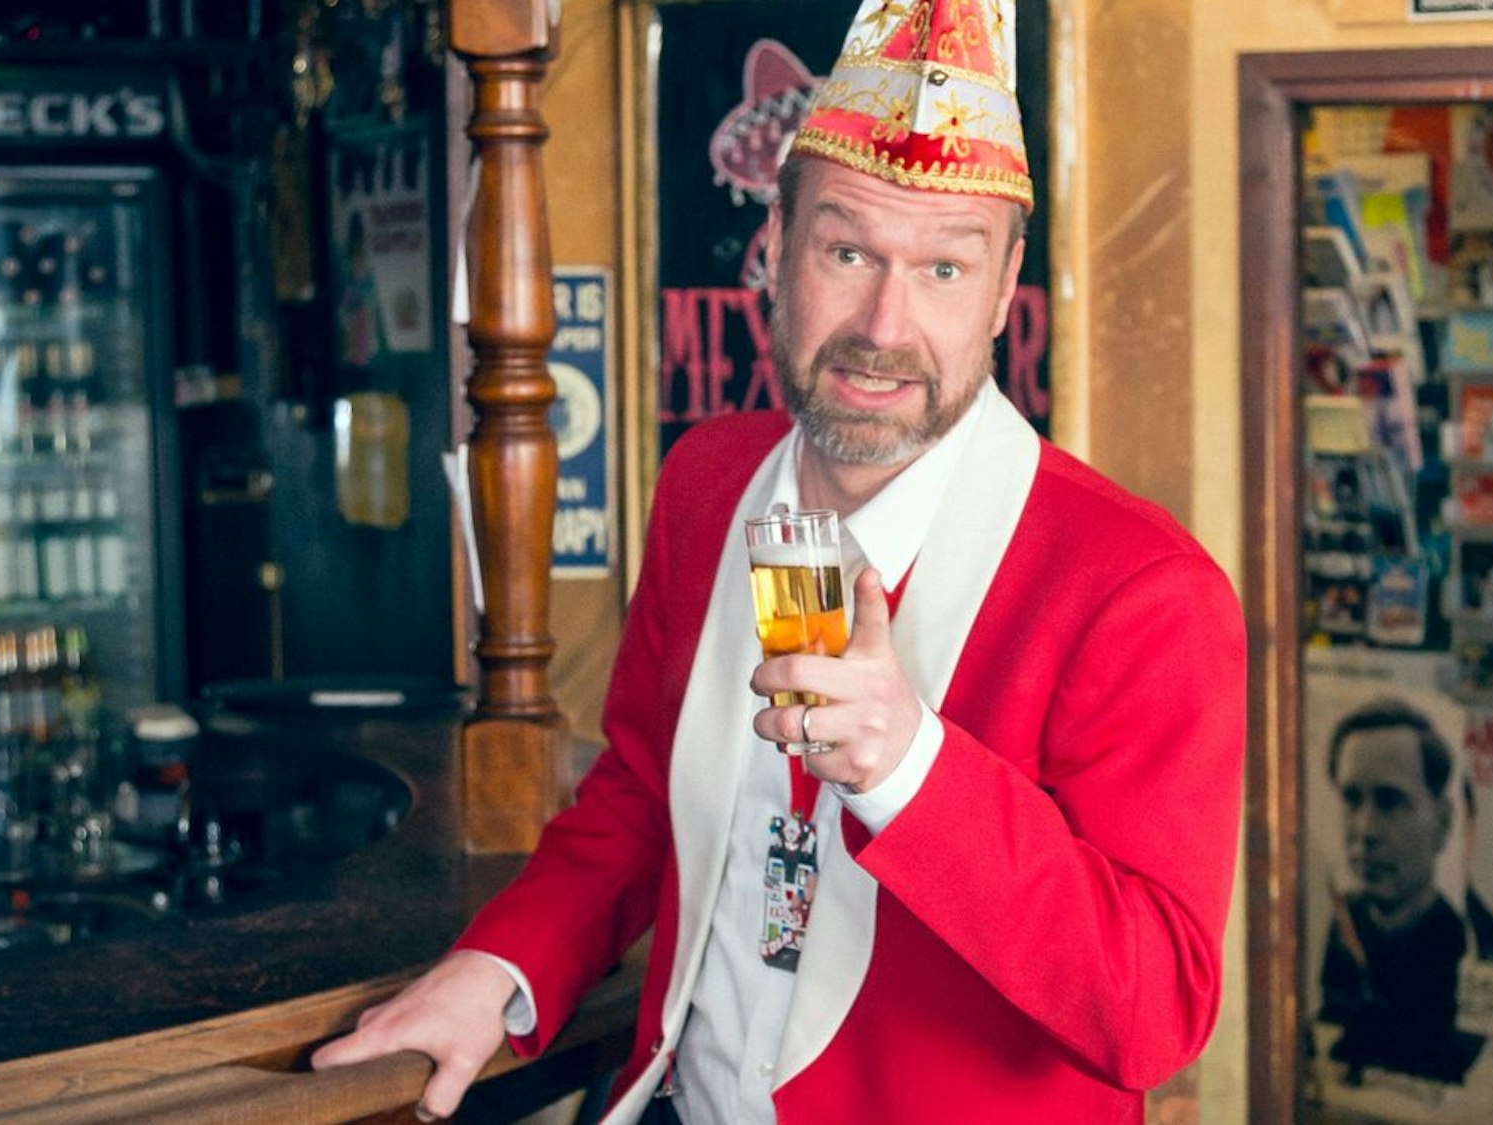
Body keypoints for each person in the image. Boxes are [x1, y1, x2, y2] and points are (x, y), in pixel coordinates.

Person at [312, 2, 1245, 1122]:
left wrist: (910, 769)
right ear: (775, 249)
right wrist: (500, 971)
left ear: (1003, 293)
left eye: (944, 271)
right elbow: (637, 799)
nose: (883, 325)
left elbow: (1153, 1013)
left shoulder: (1140, 591)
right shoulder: (711, 481)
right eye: (846, 250)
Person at [1316, 699, 1493, 1087]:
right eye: (1352, 800)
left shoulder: (1476, 946)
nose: (1366, 831)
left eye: (1391, 802)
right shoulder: (1349, 920)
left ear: (1442, 822)